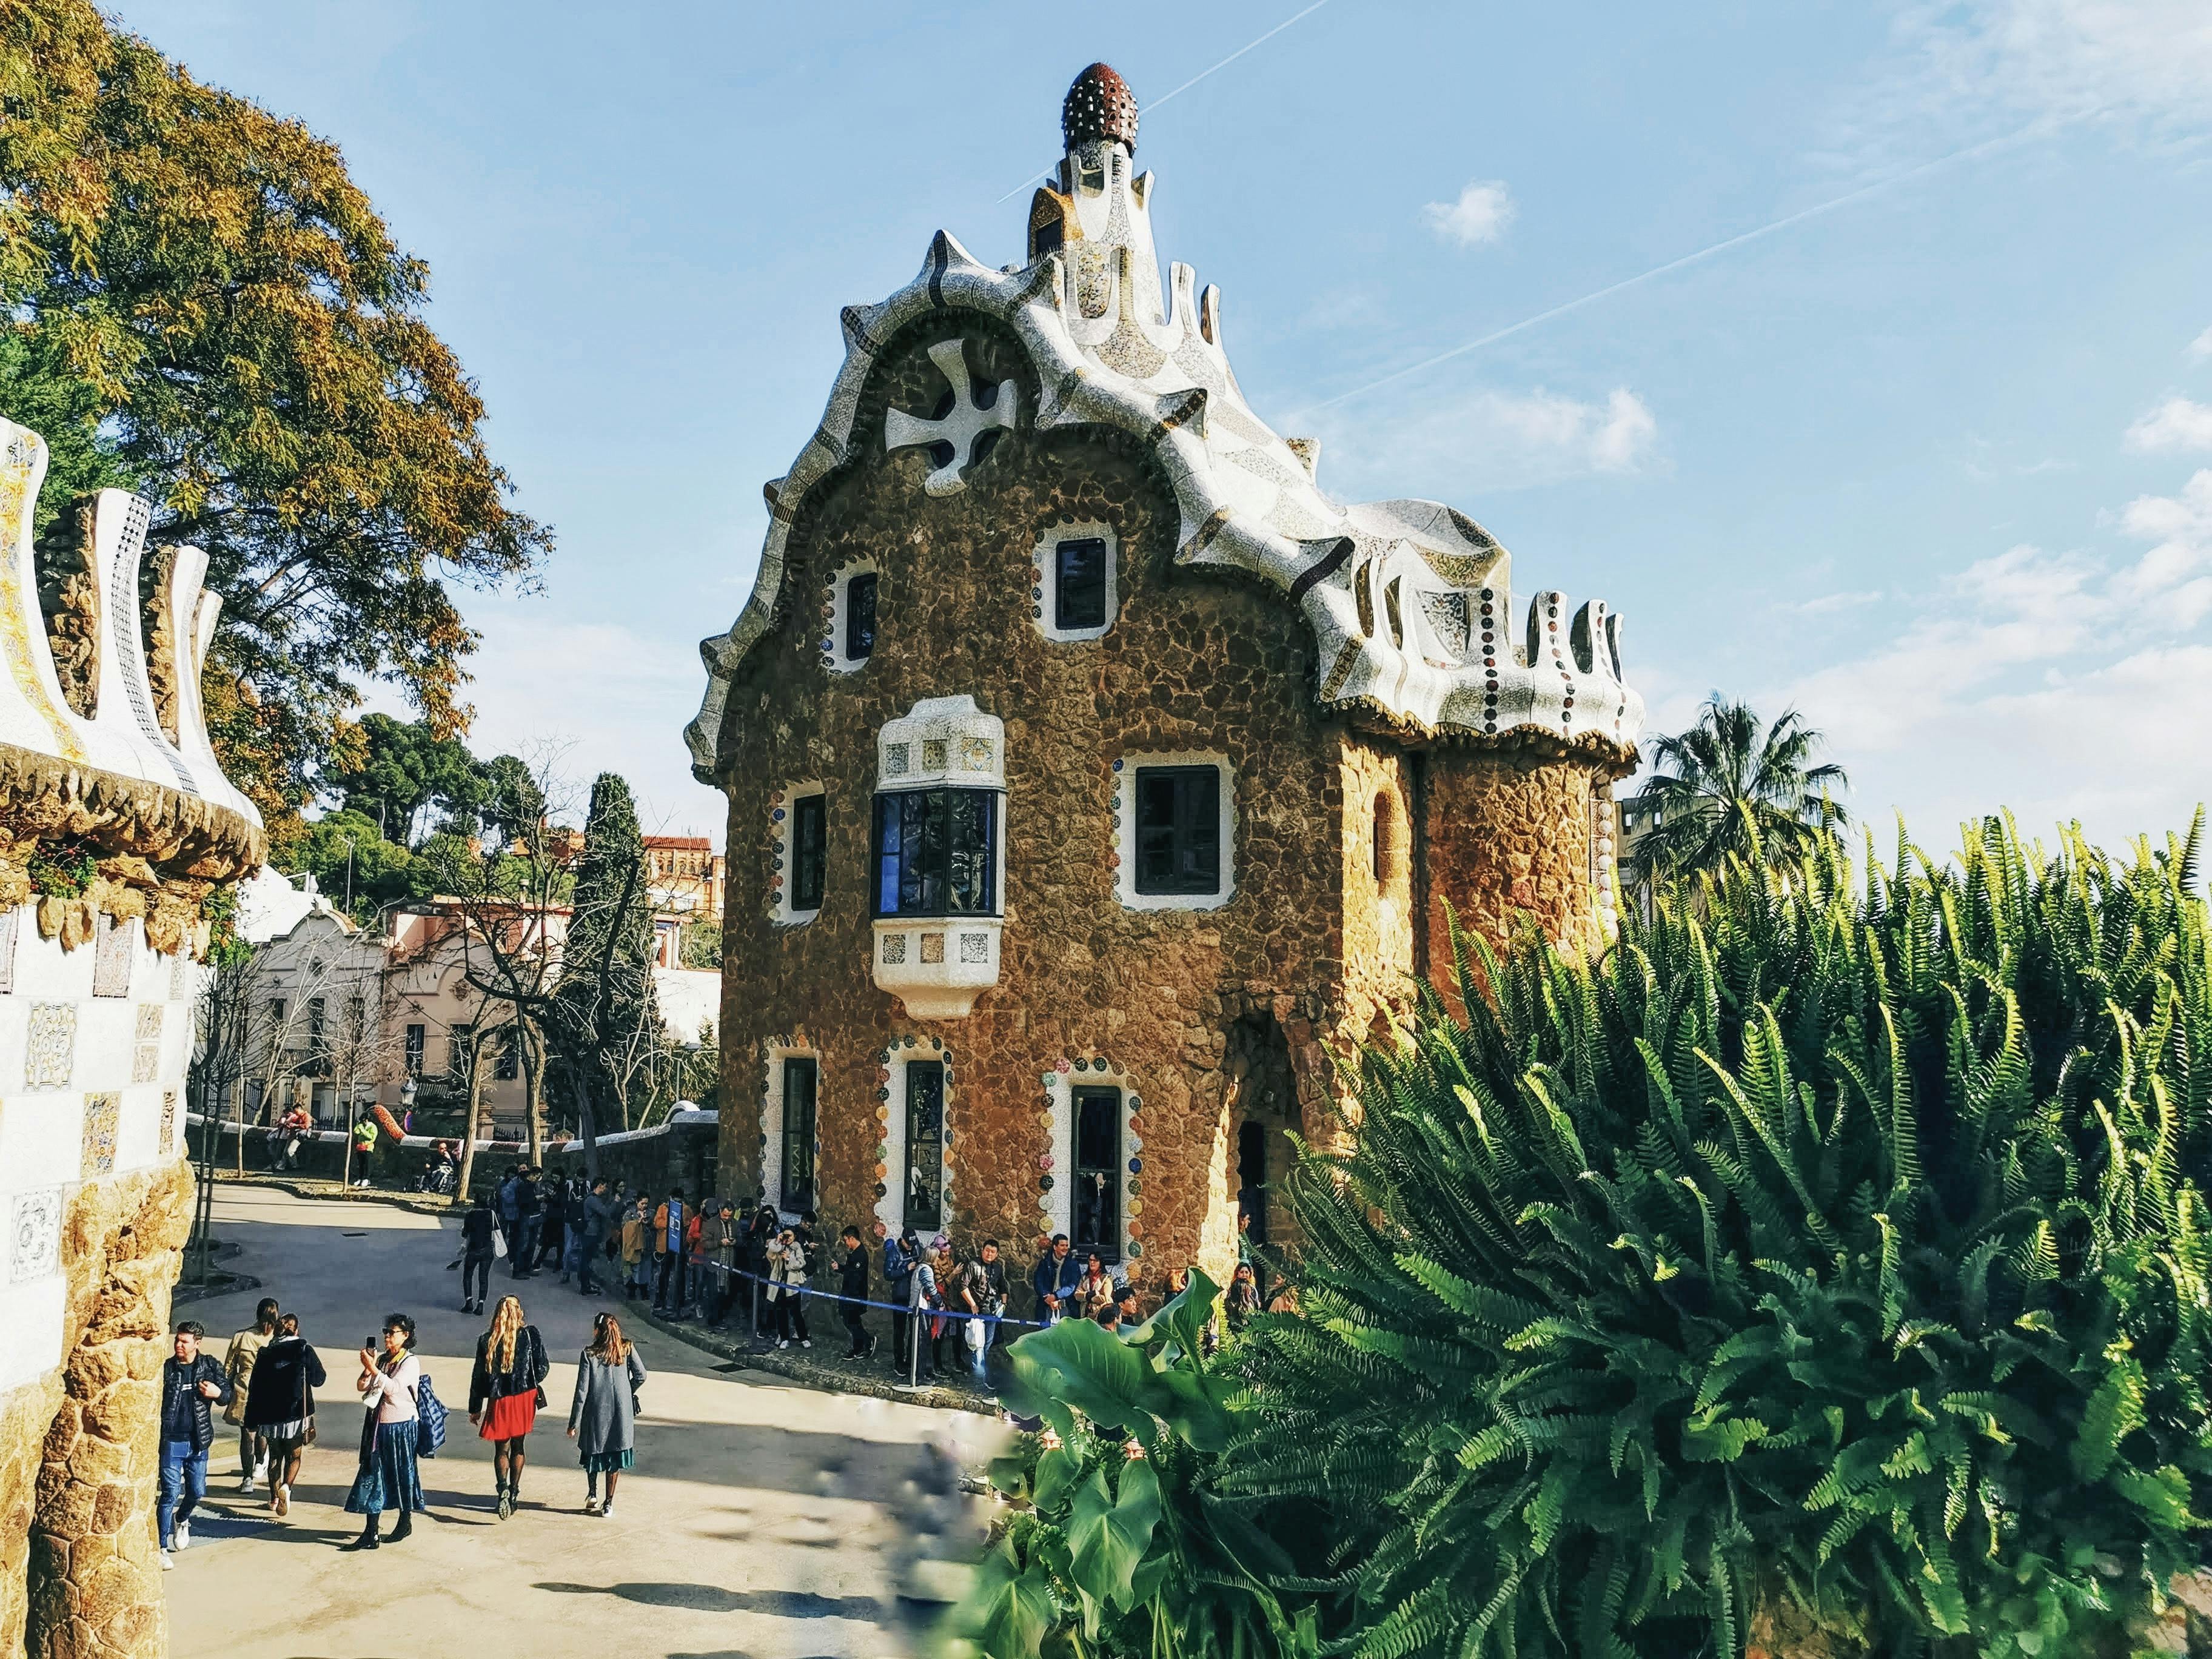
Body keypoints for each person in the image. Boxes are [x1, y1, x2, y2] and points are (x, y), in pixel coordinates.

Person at [341, 1312, 423, 1550]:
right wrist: (369, 1367)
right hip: (377, 1426)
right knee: (373, 1475)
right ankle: (371, 1532)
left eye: (392, 1333)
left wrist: (374, 1369)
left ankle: (405, 1520)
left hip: (402, 1427)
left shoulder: (410, 1362)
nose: (387, 1337)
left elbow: (394, 1388)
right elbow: (362, 1386)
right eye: (385, 1332)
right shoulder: (385, 1359)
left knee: (403, 1475)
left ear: (405, 1336)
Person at [158, 1320, 232, 1568]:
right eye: (177, 1340)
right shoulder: (167, 1368)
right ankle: (161, 1547)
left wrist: (218, 1394)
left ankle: (183, 1518)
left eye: (184, 1341)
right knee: (169, 1493)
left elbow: (228, 1394)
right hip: (171, 1441)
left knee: (197, 1491)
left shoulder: (209, 1366)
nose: (178, 1345)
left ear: (197, 1344)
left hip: (198, 1441)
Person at [469, 1295, 549, 1519]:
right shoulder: (531, 1336)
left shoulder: (487, 1340)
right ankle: (514, 1493)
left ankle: (502, 1487)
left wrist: (475, 1407)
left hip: (500, 1399)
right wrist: (532, 1381)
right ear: (519, 1312)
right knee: (519, 1446)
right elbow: (543, 1367)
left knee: (501, 1449)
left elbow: (479, 1376)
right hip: (523, 1397)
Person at [243, 1311, 324, 1518]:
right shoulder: (304, 1349)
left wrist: (251, 1420)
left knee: (275, 1458)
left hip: (270, 1416)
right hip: (296, 1414)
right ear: (296, 1330)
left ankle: (273, 1499)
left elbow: (255, 1388)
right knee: (294, 1456)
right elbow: (319, 1379)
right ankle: (287, 1488)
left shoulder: (265, 1354)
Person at [569, 1312, 647, 1517]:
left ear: (597, 1331)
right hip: (622, 1412)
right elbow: (642, 1375)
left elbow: (581, 1391)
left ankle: (592, 1493)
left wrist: (573, 1422)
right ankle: (609, 1503)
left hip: (596, 1411)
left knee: (593, 1452)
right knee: (615, 1456)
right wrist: (628, 1390)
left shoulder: (589, 1354)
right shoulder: (626, 1348)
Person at [223, 1298, 280, 1492]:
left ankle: (247, 1479)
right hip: (271, 1390)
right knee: (263, 1430)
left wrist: (227, 1390)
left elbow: (229, 1368)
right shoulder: (278, 1340)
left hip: (245, 1389)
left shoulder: (241, 1337)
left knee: (248, 1434)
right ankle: (260, 1462)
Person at [958, 1241, 1007, 1378]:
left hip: (991, 1312)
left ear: (997, 1254)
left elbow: (1003, 1288)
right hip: (973, 1311)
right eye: (987, 1250)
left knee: (987, 1343)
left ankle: (981, 1370)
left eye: (993, 1252)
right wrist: (973, 1305)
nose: (989, 1254)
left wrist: (1003, 1304)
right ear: (982, 1250)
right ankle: (971, 1369)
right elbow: (963, 1286)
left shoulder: (997, 1268)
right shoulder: (973, 1264)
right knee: (972, 1342)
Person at [765, 1226, 812, 1348]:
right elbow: (770, 1256)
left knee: (796, 1313)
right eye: (785, 1235)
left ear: (794, 1237)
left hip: (792, 1286)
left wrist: (788, 1258)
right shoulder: (779, 1247)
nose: (788, 1238)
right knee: (781, 1313)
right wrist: (777, 1241)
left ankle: (803, 1337)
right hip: (779, 1285)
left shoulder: (797, 1248)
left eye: (789, 1236)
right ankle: (784, 1338)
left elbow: (801, 1263)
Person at [834, 1226, 874, 1358]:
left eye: (846, 1240)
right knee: (851, 1321)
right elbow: (850, 1271)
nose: (845, 1243)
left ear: (852, 1238)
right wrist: (840, 1268)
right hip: (849, 1293)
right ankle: (857, 1348)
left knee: (851, 1321)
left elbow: (855, 1276)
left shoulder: (861, 1254)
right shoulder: (854, 1253)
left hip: (854, 1295)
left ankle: (867, 1341)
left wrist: (842, 1270)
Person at [577, 1179, 620, 1297]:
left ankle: (585, 1284)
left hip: (590, 1233)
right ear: (599, 1186)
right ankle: (585, 1287)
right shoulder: (592, 1200)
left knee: (586, 1259)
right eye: (604, 1186)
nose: (605, 1189)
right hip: (590, 1234)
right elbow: (606, 1212)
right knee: (586, 1260)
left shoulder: (592, 1198)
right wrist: (616, 1202)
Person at [880, 1221, 914, 1366]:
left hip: (913, 1295)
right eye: (908, 1244)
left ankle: (910, 1361)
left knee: (914, 1330)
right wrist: (906, 1269)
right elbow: (888, 1275)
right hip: (900, 1296)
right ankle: (899, 1362)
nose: (911, 1247)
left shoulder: (914, 1248)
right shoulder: (894, 1252)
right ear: (902, 1240)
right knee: (899, 1330)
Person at [460, 1188, 498, 1314]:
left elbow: (465, 1233)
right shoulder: (491, 1214)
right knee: (483, 1277)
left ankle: (469, 1301)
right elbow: (497, 1230)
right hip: (487, 1250)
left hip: (473, 1250)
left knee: (468, 1275)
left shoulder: (470, 1214)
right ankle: (481, 1304)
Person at [1031, 1233, 1081, 1326]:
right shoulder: (1045, 1262)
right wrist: (1046, 1296)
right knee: (1045, 1333)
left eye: (1067, 1245)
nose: (1065, 1248)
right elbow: (1038, 1281)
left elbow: (1072, 1286)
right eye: (1062, 1245)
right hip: (1046, 1304)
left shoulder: (1073, 1264)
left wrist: (1056, 1296)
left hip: (1066, 1305)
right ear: (1055, 1247)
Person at [651, 1188, 686, 1314]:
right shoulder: (663, 1208)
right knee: (663, 1275)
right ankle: (661, 1300)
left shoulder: (686, 1209)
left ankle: (679, 1302)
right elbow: (657, 1223)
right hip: (665, 1246)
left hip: (679, 1248)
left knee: (680, 1275)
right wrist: (671, 1221)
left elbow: (687, 1222)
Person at [927, 1237, 959, 1375]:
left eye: (948, 1251)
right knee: (938, 1335)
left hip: (952, 1302)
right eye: (944, 1252)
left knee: (956, 1332)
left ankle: (958, 1362)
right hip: (940, 1304)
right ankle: (937, 1365)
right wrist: (953, 1274)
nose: (947, 1254)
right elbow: (940, 1285)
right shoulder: (934, 1264)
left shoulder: (949, 1259)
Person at [705, 1201, 739, 1324]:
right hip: (714, 1265)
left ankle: (721, 1317)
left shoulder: (735, 1224)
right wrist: (720, 1242)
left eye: (730, 1216)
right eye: (725, 1215)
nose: (727, 1218)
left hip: (729, 1264)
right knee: (714, 1294)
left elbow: (740, 1239)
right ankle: (713, 1320)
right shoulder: (711, 1224)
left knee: (726, 1293)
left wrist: (735, 1242)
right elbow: (705, 1243)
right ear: (720, 1212)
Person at [511, 1167, 544, 1278]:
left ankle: (527, 1267)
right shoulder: (523, 1186)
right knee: (523, 1244)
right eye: (536, 1176)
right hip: (525, 1216)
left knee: (532, 1243)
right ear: (531, 1175)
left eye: (539, 1177)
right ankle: (517, 1270)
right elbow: (522, 1202)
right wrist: (536, 1199)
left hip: (534, 1216)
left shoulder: (534, 1186)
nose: (537, 1179)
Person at [538, 1173, 569, 1275]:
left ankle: (559, 1264)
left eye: (557, 1177)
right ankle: (537, 1263)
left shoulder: (564, 1188)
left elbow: (562, 1202)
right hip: (550, 1219)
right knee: (547, 1243)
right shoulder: (551, 1186)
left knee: (560, 1244)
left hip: (559, 1219)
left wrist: (554, 1196)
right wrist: (548, 1196)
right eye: (554, 1177)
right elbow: (546, 1200)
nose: (555, 1179)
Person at [622, 1196, 652, 1301]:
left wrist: (647, 1223)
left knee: (645, 1269)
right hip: (634, 1247)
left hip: (646, 1245)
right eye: (642, 1203)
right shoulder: (630, 1213)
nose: (644, 1206)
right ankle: (632, 1291)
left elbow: (653, 1227)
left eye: (646, 1204)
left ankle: (644, 1291)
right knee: (633, 1269)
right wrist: (637, 1222)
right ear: (637, 1202)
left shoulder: (650, 1213)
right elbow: (625, 1228)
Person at [1073, 1252, 1115, 1321]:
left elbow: (1106, 1299)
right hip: (1085, 1315)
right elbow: (1077, 1295)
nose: (1092, 1263)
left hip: (1100, 1316)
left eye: (1095, 1261)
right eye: (1090, 1260)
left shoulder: (1106, 1278)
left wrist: (1092, 1298)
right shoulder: (1085, 1278)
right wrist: (1088, 1295)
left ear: (1100, 1262)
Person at [274, 1101, 311, 1170]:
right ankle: (281, 1166)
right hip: (292, 1135)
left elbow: (307, 1125)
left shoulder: (306, 1116)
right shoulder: (297, 1117)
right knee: (285, 1152)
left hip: (299, 1136)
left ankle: (295, 1166)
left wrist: (296, 1125)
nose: (295, 1113)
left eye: (296, 1111)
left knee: (290, 1151)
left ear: (299, 1109)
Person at [1225, 1261, 1260, 1332]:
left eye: (1247, 1272)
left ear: (1250, 1274)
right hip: (1239, 1317)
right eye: (1242, 1272)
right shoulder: (1236, 1286)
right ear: (1237, 1273)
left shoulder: (1251, 1286)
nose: (1244, 1274)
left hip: (1250, 1316)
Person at [350, 1112, 378, 1187]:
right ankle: (360, 1178)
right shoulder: (362, 1126)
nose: (364, 1121)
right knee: (361, 1164)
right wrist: (359, 1125)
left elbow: (372, 1137)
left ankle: (367, 1179)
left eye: (364, 1120)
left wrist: (363, 1131)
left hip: (368, 1148)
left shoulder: (373, 1127)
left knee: (368, 1164)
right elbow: (356, 1131)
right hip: (360, 1147)